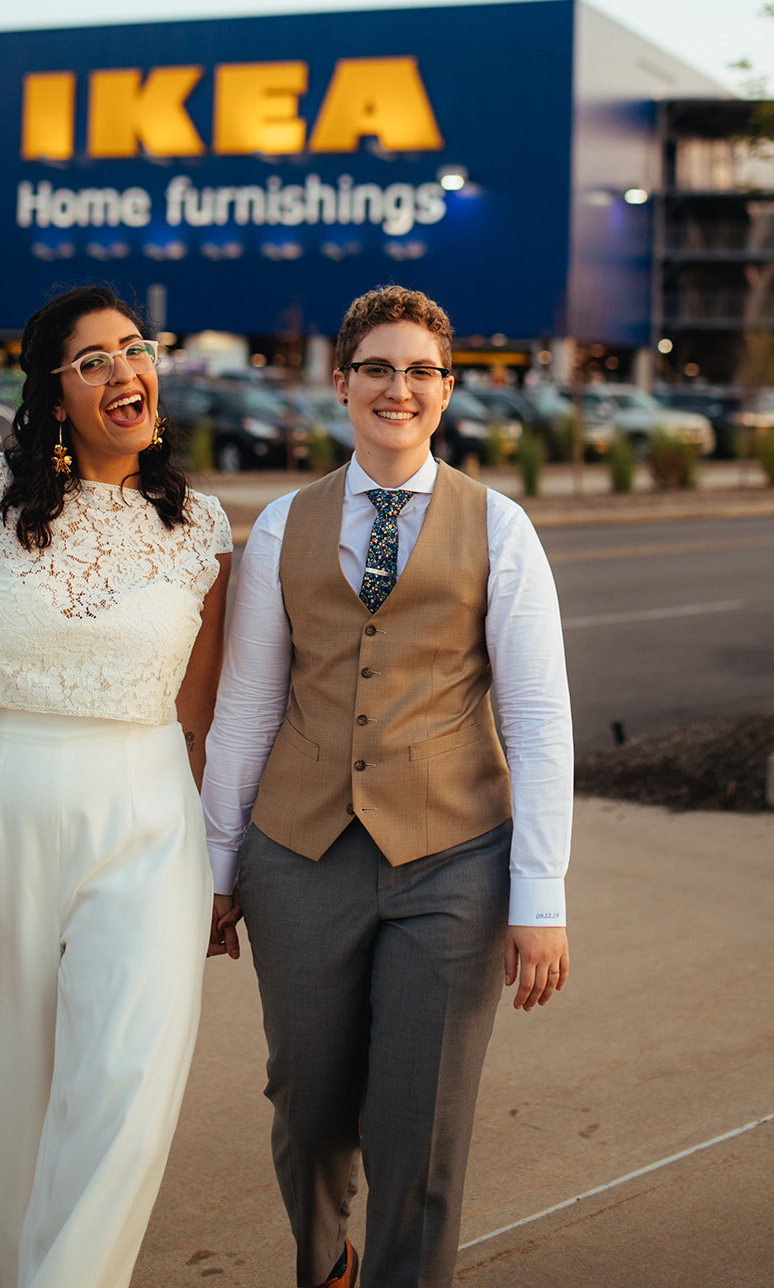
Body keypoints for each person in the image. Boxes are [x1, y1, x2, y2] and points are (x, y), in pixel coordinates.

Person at [203, 285, 573, 1288]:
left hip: (451, 861)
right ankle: (323, 1265)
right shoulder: (282, 524)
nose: (395, 387)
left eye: (418, 370)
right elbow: (246, 702)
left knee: (423, 1118)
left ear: (446, 391)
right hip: (298, 853)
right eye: (375, 366)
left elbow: (539, 722)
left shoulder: (499, 530)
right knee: (305, 1101)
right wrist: (219, 863)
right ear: (340, 382)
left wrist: (538, 899)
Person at [0, 284, 232, 1288]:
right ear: (52, 392)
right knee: (4, 1101)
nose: (126, 371)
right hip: (1, 821)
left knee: (120, 1099)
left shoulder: (202, 526)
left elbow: (202, 720)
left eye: (136, 349)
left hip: (151, 826)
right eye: (94, 360)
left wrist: (223, 867)